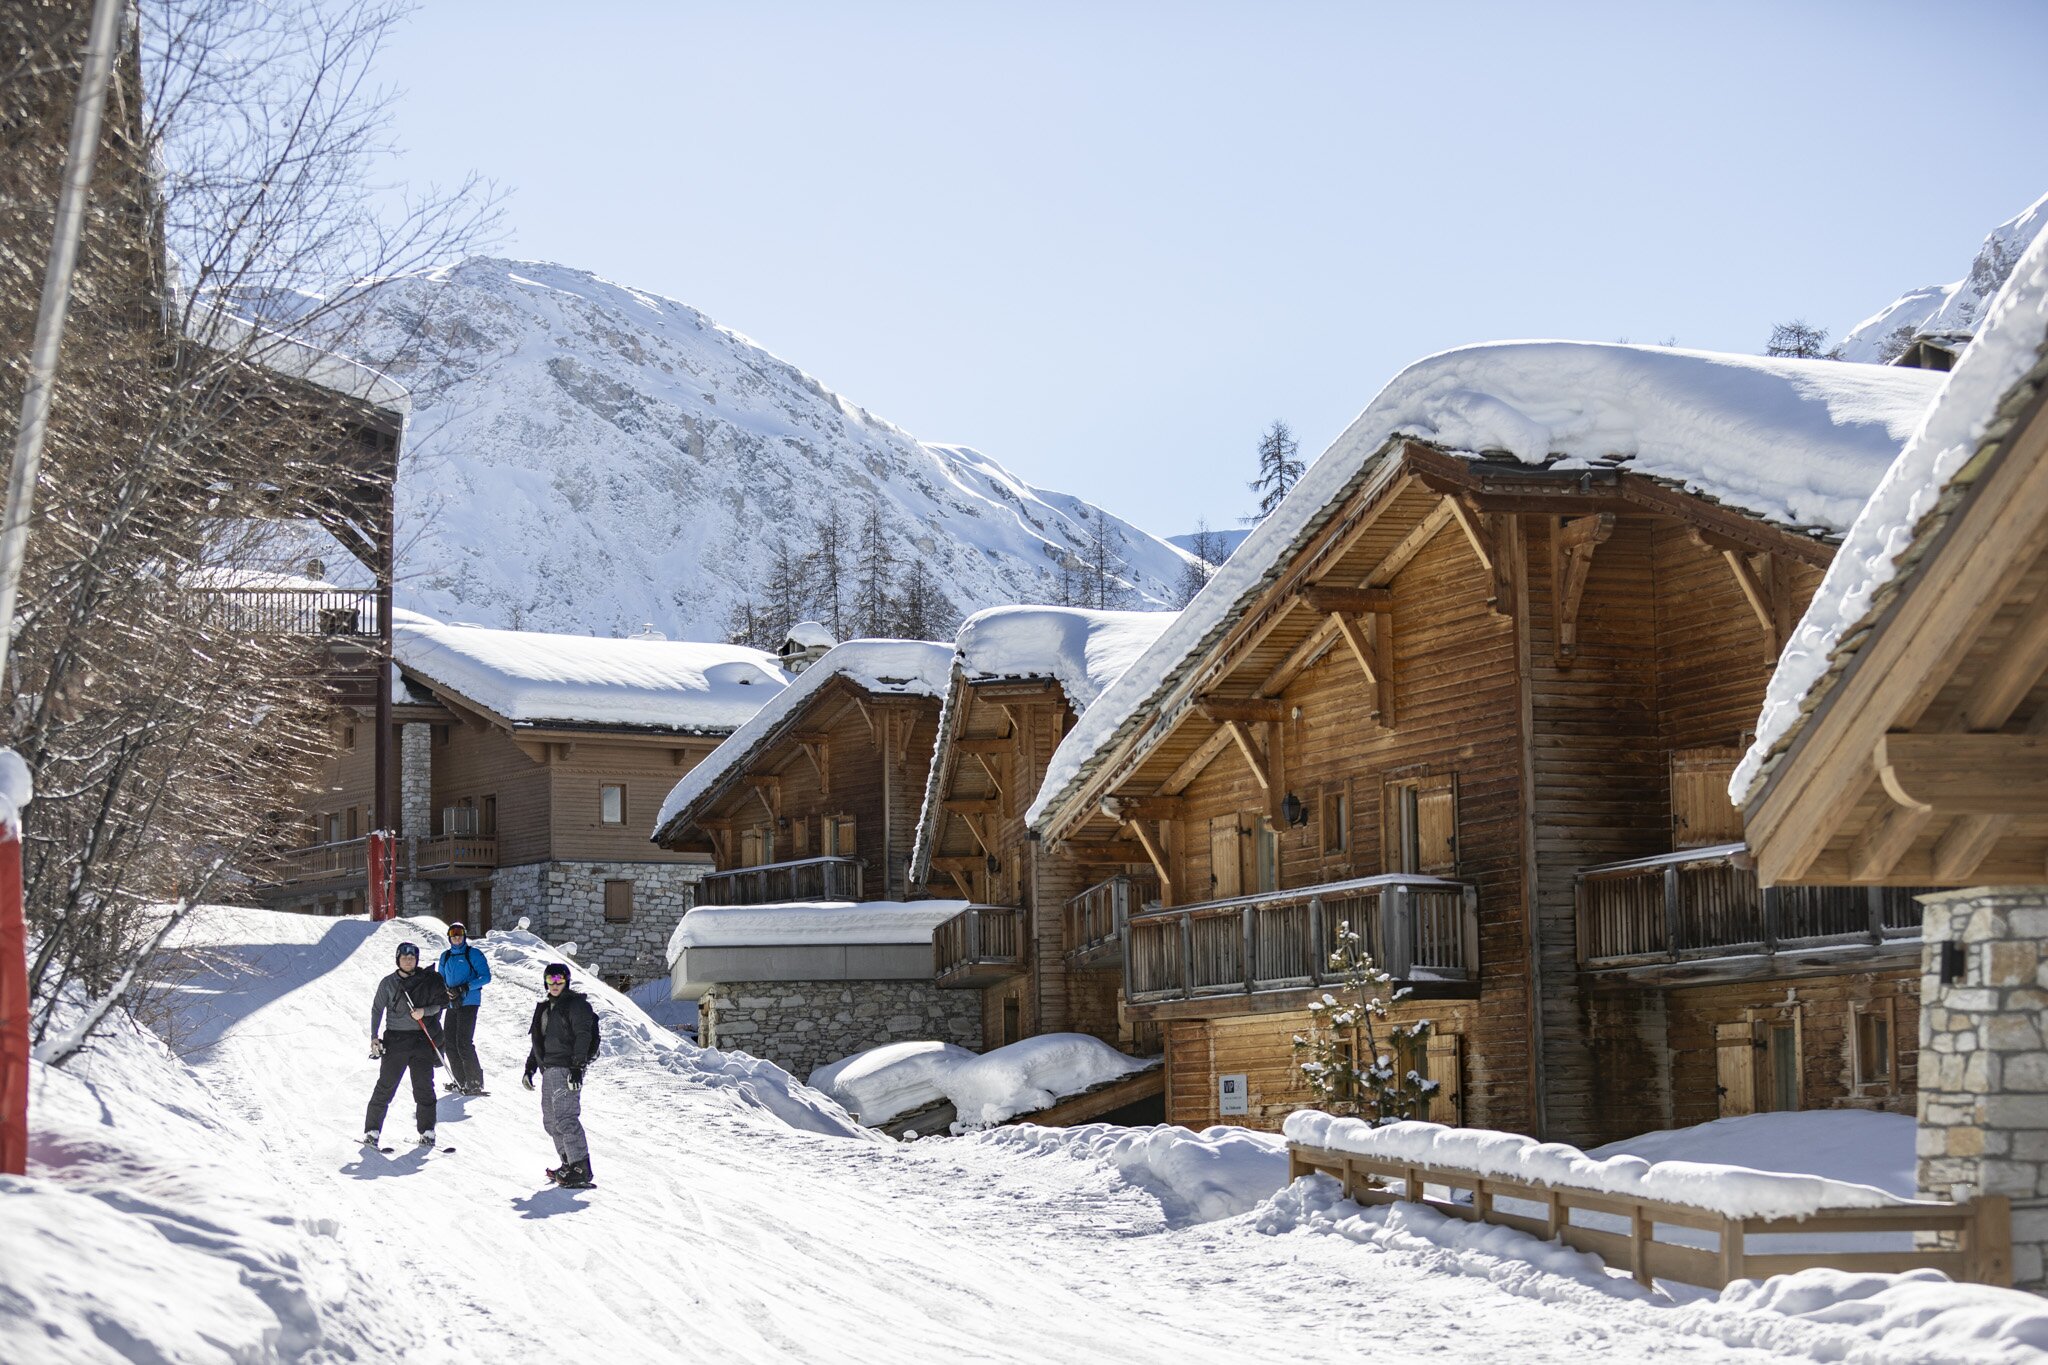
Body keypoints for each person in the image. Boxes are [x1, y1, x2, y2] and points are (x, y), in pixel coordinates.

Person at [363, 941, 448, 1148]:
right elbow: (377, 1009)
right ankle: (372, 1131)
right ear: (398, 959)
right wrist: (374, 1036)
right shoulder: (388, 983)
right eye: (404, 958)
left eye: (412, 958)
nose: (409, 961)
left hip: (421, 1041)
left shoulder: (427, 981)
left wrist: (423, 1012)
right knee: (385, 1086)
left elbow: (439, 1005)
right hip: (395, 1041)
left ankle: (427, 1131)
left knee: (424, 1087)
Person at [523, 961, 599, 1187]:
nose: (554, 984)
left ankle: (581, 1167)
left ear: (566, 981)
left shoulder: (575, 1005)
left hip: (567, 1067)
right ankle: (568, 1162)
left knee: (566, 1118)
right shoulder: (546, 1008)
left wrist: (577, 1067)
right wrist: (530, 1067)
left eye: (559, 980)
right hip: (549, 1069)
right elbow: (538, 1041)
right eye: (550, 980)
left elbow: (583, 1035)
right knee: (551, 1121)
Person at [436, 921, 492, 1095]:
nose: (457, 937)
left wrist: (464, 988)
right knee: (450, 1042)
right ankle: (460, 1081)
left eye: (459, 934)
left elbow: (486, 977)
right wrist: (447, 992)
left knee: (464, 1041)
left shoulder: (472, 954)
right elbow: (441, 979)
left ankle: (474, 1081)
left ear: (465, 935)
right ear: (449, 938)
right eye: (453, 935)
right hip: (453, 1003)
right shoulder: (445, 957)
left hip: (469, 1002)